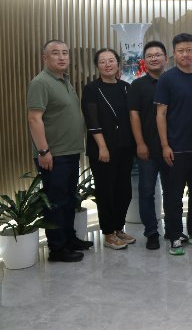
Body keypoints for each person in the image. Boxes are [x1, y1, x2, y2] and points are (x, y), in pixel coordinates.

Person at [27, 40, 92, 262]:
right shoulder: (41, 82)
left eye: (65, 53)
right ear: (45, 58)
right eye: (55, 53)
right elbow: (34, 119)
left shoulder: (64, 81)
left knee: (68, 199)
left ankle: (69, 238)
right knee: (55, 201)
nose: (62, 57)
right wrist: (43, 151)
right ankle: (57, 248)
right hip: (53, 154)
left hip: (70, 151)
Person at [155, 33, 192, 256]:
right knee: (174, 196)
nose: (185, 54)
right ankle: (175, 235)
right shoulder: (167, 79)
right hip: (176, 148)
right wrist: (165, 145)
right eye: (180, 51)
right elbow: (161, 114)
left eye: (189, 50)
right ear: (173, 54)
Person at [81, 48, 136, 250]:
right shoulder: (91, 88)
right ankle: (108, 233)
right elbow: (92, 121)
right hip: (103, 150)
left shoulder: (125, 87)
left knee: (124, 192)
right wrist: (102, 147)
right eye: (103, 61)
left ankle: (119, 228)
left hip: (125, 147)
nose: (107, 64)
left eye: (111, 60)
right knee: (106, 192)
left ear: (118, 63)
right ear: (97, 66)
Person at [128, 40, 168, 250]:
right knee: (146, 193)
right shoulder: (137, 85)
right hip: (147, 150)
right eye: (150, 56)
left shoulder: (173, 81)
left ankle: (173, 230)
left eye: (158, 55)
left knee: (173, 192)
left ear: (166, 58)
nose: (154, 58)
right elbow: (133, 116)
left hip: (172, 149)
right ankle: (151, 232)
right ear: (144, 60)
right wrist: (140, 143)